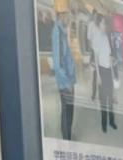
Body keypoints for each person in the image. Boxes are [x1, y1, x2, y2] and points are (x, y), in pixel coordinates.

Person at [89, 13, 116, 133]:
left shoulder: (106, 37)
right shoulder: (97, 38)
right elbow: (96, 58)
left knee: (110, 97)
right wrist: (98, 76)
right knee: (103, 99)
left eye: (106, 23)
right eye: (104, 23)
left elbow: (109, 56)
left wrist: (113, 70)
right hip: (101, 71)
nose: (105, 25)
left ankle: (111, 121)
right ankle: (104, 124)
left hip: (108, 70)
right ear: (99, 24)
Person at [51, 9, 76, 141]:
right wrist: (67, 83)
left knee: (68, 110)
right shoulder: (58, 33)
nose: (70, 21)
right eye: (69, 18)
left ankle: (67, 135)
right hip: (66, 82)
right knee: (68, 111)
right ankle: (67, 140)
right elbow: (58, 64)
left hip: (68, 80)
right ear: (62, 16)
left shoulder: (61, 32)